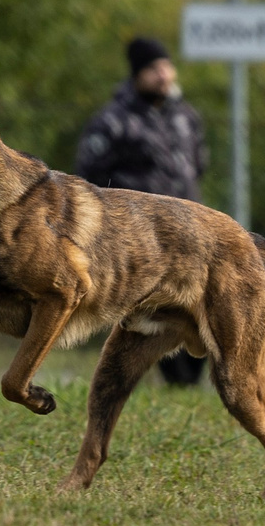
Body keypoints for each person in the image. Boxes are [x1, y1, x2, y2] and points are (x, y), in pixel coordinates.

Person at [76, 37, 210, 384]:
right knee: (155, 307)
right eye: (153, 69)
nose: (163, 75)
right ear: (137, 75)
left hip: (190, 229)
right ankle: (168, 378)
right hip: (141, 237)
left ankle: (188, 379)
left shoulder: (186, 117)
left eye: (166, 66)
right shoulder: (113, 121)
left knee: (198, 302)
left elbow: (199, 163)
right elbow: (88, 175)